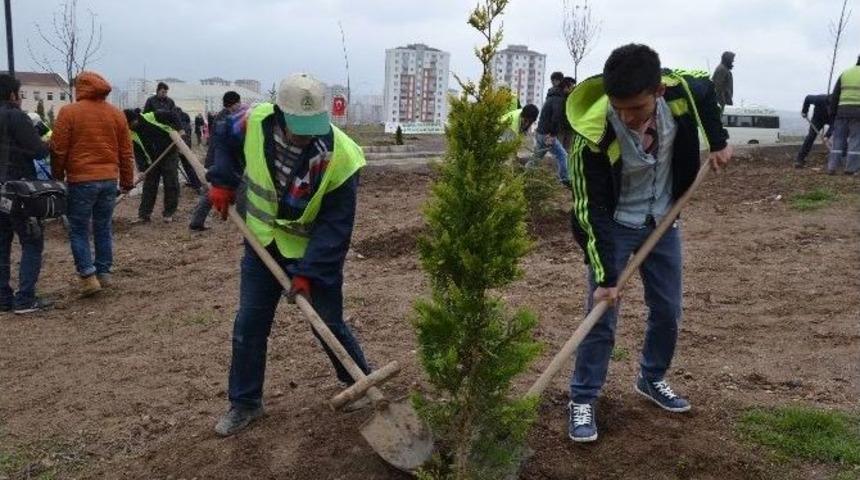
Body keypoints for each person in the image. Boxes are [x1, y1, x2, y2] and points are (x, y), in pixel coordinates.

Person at [565, 44, 731, 443]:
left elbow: (708, 93)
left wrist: (719, 139)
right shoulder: (592, 135)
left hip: (664, 219)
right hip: (616, 225)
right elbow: (591, 213)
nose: (627, 117)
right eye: (618, 107)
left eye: (636, 109)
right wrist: (606, 275)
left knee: (668, 309)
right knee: (601, 314)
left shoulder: (681, 93)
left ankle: (651, 378)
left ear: (657, 91)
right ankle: (583, 397)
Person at [207, 73, 372, 436]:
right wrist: (222, 179)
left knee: (328, 322)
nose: (306, 133)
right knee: (249, 325)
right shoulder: (254, 120)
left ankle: (361, 382)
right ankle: (245, 403)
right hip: (262, 241)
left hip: (312, 253)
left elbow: (336, 226)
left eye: (313, 125)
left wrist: (309, 273)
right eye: (299, 125)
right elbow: (221, 135)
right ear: (280, 114)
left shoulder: (340, 156)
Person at [50, 71, 135, 296]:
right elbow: (126, 151)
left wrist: (57, 177)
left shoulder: (68, 112)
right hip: (108, 179)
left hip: (80, 180)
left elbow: (59, 149)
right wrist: (126, 180)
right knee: (103, 226)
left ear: (80, 88)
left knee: (78, 229)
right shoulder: (116, 114)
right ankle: (104, 272)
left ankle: (88, 277)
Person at [0, 74, 51, 313]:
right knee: (31, 241)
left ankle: (3, 298)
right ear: (12, 95)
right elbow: (39, 151)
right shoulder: (16, 117)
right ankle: (25, 299)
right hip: (19, 190)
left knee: (2, 244)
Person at [189, 91, 242, 231]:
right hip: (220, 162)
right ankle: (197, 221)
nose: (240, 105)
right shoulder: (226, 119)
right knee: (216, 191)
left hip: (219, 160)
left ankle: (197, 221)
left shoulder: (222, 116)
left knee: (214, 192)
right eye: (238, 103)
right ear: (233, 103)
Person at [125, 109, 181, 223]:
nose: (129, 127)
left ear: (134, 120)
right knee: (149, 186)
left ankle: (169, 213)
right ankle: (144, 215)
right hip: (152, 160)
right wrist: (142, 169)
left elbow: (173, 114)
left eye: (129, 124)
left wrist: (180, 129)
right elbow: (138, 152)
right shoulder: (132, 132)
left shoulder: (152, 116)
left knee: (170, 182)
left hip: (169, 152)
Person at [530, 76, 576, 187]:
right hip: (547, 134)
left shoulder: (552, 96)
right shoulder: (558, 100)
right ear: (566, 86)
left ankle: (526, 174)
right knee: (562, 155)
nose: (572, 89)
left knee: (537, 157)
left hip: (541, 132)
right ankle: (565, 179)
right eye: (571, 87)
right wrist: (552, 135)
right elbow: (556, 118)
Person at [827, 55, 860, 175]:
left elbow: (835, 95)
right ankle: (851, 169)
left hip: (841, 112)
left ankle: (832, 167)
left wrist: (832, 113)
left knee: (838, 140)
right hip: (858, 113)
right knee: (855, 141)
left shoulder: (845, 73)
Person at [795, 94, 832, 168]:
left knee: (838, 134)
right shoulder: (819, 99)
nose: (829, 109)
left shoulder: (838, 107)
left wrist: (827, 135)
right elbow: (807, 98)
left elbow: (834, 125)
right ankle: (800, 159)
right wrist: (804, 111)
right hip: (817, 119)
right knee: (811, 136)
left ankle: (837, 157)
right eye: (828, 108)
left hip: (831, 119)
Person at [175, 107, 202, 191]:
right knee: (188, 167)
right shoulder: (187, 124)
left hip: (178, 148)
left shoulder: (178, 125)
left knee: (174, 169)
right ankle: (196, 184)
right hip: (186, 148)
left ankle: (176, 189)